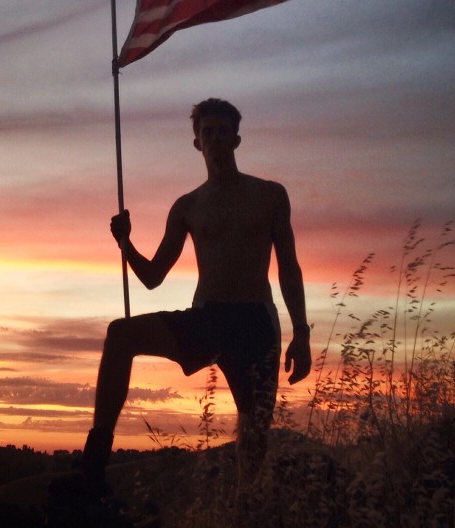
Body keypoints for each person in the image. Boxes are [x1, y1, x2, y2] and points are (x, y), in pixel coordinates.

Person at [72, 98, 311, 499]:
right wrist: (126, 243)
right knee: (121, 334)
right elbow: (152, 277)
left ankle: (243, 513)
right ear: (197, 143)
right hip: (207, 319)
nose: (215, 139)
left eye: (222, 132)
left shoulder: (270, 195)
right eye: (207, 133)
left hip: (256, 323)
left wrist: (301, 332)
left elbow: (289, 266)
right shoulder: (187, 207)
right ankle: (94, 463)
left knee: (253, 440)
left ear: (236, 139)